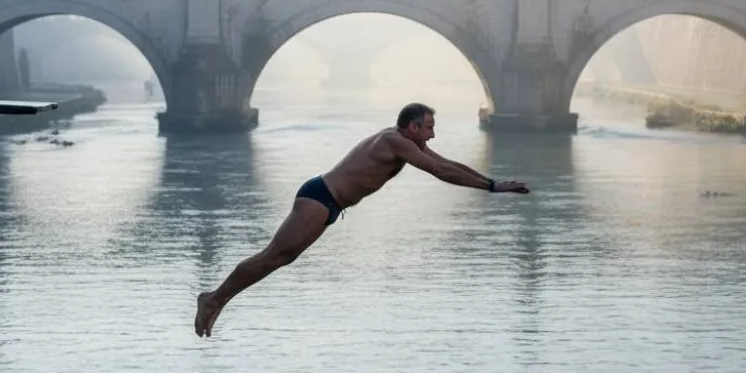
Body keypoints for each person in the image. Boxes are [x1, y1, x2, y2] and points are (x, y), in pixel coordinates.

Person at [194, 103, 531, 337]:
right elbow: (442, 172)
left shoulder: (404, 142)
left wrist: (491, 184)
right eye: (428, 128)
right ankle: (214, 298)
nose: (431, 135)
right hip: (319, 198)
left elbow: (450, 164)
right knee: (275, 256)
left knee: (280, 259)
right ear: (413, 126)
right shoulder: (394, 142)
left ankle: (217, 298)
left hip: (327, 204)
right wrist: (491, 187)